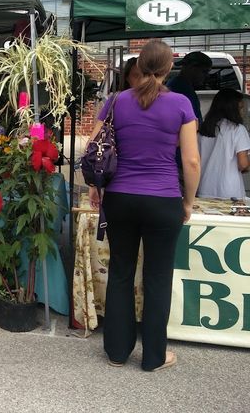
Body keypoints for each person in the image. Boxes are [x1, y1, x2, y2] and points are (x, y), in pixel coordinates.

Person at [87, 39, 199, 372]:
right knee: (157, 277)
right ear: (169, 68)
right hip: (163, 199)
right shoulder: (180, 104)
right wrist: (189, 202)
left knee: (120, 272)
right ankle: (154, 357)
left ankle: (117, 353)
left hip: (120, 198)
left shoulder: (116, 101)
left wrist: (97, 186)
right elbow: (191, 161)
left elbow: (93, 146)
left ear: (139, 66)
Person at [197, 89, 250, 200]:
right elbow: (243, 164)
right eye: (240, 108)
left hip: (204, 188)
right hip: (229, 191)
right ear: (231, 109)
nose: (242, 112)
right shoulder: (237, 129)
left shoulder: (203, 129)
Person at [166, 51, 212, 124]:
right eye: (204, 71)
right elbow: (194, 124)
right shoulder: (183, 91)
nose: (207, 76)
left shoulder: (174, 83)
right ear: (192, 68)